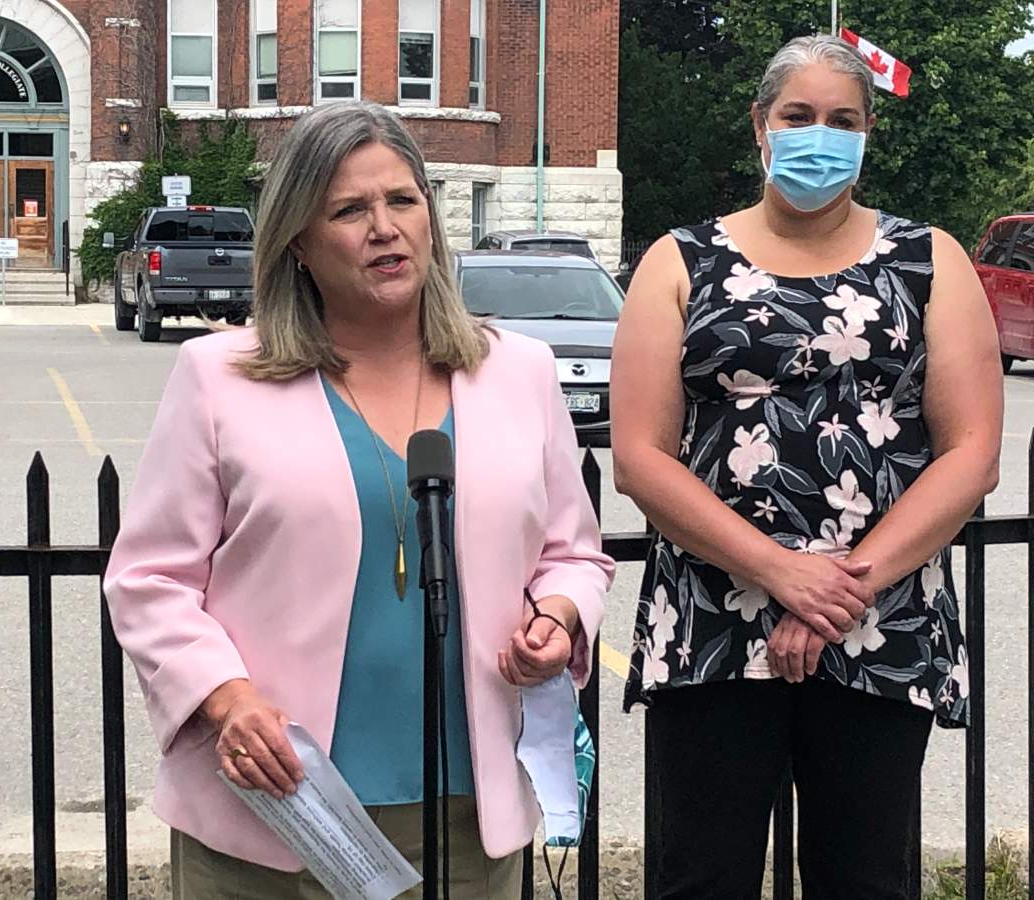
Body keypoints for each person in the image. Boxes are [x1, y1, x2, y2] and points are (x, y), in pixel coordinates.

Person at [103, 101, 614, 899]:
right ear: (299, 242)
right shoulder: (217, 377)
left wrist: (558, 617)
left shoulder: (520, 372)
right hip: (277, 811)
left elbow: (572, 553)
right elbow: (149, 581)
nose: (385, 228)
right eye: (349, 210)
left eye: (403, 200)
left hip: (467, 812)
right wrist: (226, 701)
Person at [611, 34, 1002, 899]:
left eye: (842, 120)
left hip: (878, 623)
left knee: (866, 879)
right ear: (760, 126)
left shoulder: (930, 260)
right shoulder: (679, 262)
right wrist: (779, 572)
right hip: (712, 625)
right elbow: (640, 456)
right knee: (699, 878)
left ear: (867, 134)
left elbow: (971, 454)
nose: (818, 135)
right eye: (798, 116)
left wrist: (836, 588)